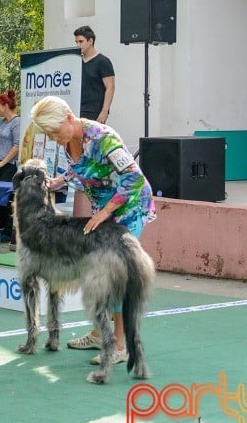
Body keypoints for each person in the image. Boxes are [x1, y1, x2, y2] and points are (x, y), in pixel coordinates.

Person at [31, 95, 155, 365]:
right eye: (48, 134)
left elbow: (134, 177)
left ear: (68, 118)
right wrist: (58, 181)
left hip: (129, 209)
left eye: (53, 131)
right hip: (105, 212)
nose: (53, 138)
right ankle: (100, 333)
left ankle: (120, 346)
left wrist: (104, 212)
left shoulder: (102, 138)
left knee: (115, 278)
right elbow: (81, 169)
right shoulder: (69, 140)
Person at [0, 89, 20, 244]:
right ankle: (1, 227)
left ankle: (8, 230)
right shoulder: (0, 122)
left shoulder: (16, 122)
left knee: (4, 197)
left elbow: (17, 146)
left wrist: (3, 162)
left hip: (9, 165)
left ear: (6, 105)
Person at [75, 25, 115, 124]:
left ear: (90, 41)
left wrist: (104, 111)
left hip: (94, 113)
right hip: (77, 111)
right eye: (76, 42)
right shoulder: (76, 62)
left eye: (81, 41)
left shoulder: (103, 61)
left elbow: (110, 87)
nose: (78, 45)